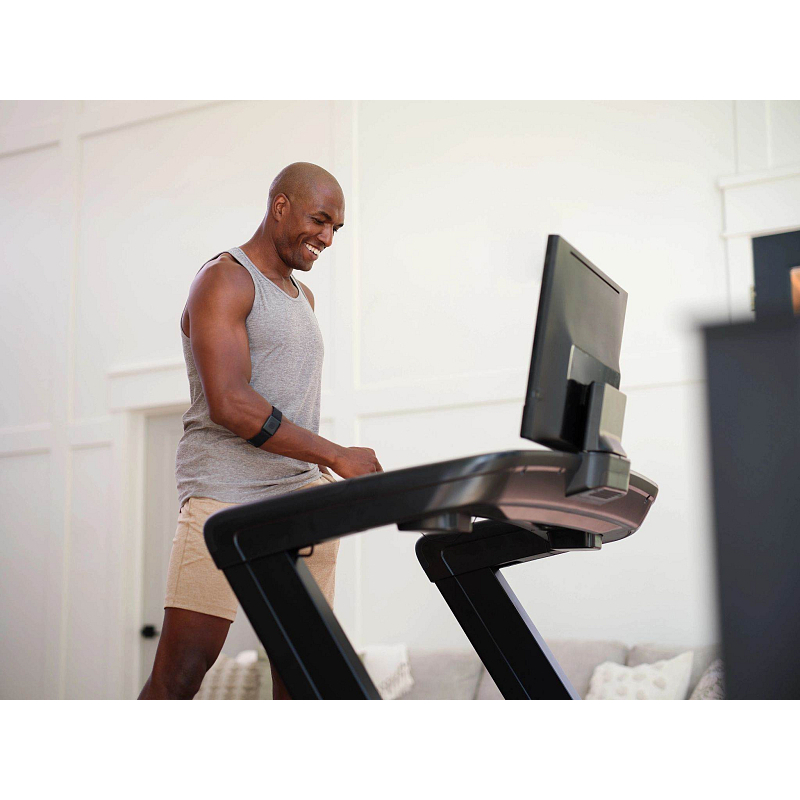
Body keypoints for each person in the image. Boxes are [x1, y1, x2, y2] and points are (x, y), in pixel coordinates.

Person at [138, 162, 383, 700]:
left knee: (304, 675)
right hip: (225, 496)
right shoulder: (225, 279)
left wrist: (323, 468)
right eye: (319, 220)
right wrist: (336, 454)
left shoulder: (302, 297)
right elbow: (231, 403)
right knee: (182, 673)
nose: (327, 238)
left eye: (336, 228)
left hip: (300, 497)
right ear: (280, 207)